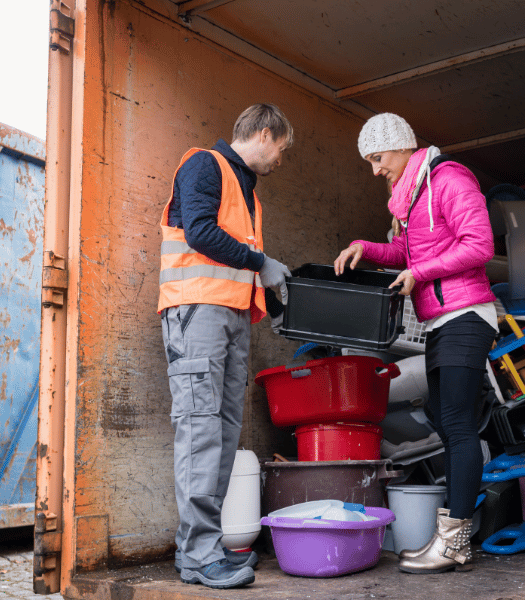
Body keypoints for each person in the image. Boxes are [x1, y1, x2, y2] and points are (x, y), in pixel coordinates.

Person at [334, 113, 498, 574]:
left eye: (378, 157)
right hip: (443, 320)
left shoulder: (448, 179)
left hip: (467, 315)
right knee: (448, 425)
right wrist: (367, 247)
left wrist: (420, 274)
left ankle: (454, 543)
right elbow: (409, 254)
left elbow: (480, 244)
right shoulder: (410, 197)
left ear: (402, 147)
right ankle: (453, 541)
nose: (374, 169)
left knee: (458, 426)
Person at [157, 104, 293, 589]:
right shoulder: (204, 165)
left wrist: (275, 310)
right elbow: (201, 233)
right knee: (199, 431)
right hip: (197, 314)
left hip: (232, 319)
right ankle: (199, 556)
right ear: (262, 133)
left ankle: (202, 547)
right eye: (282, 147)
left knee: (223, 434)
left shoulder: (248, 192)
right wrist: (261, 261)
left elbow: (240, 264)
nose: (281, 158)